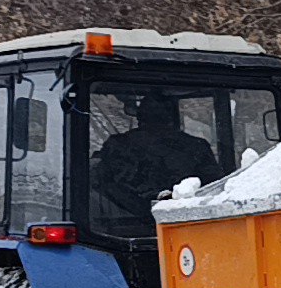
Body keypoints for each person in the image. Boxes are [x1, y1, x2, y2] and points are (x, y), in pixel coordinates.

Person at [92, 95, 224, 223]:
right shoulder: (197, 146)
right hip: (188, 222)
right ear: (171, 118)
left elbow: (101, 179)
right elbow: (215, 187)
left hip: (127, 223)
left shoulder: (119, 146)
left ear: (140, 117)